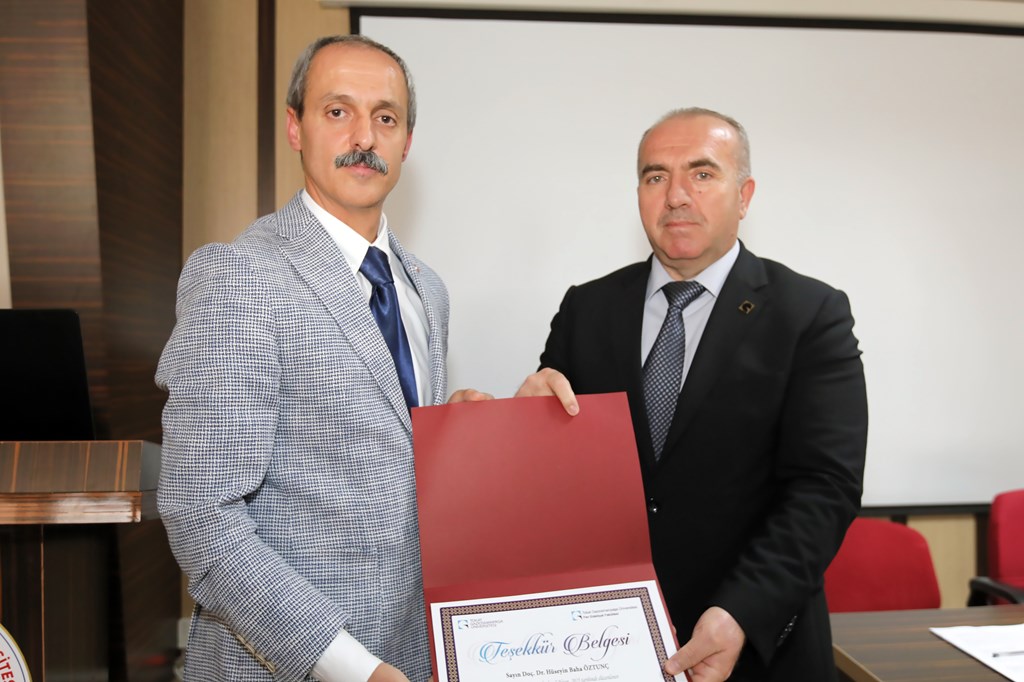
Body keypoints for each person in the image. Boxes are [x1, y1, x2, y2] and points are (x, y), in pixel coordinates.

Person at [156, 35, 572, 682]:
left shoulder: (426, 288)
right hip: (290, 666)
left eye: (385, 117)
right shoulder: (240, 276)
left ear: (407, 142)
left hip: (414, 653)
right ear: (295, 128)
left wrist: (485, 427)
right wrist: (352, 667)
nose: (364, 137)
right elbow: (202, 516)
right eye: (337, 111)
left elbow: (389, 452)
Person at [520, 108, 868, 681]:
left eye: (702, 174)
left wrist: (740, 613)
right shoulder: (588, 309)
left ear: (744, 195)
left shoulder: (809, 314)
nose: (676, 195)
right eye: (656, 176)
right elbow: (556, 472)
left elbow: (824, 488)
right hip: (602, 648)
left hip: (754, 650)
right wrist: (519, 422)